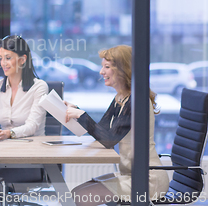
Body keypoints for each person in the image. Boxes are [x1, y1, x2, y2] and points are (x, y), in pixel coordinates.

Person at [65, 45, 169, 206]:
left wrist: (81, 115)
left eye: (107, 67)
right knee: (73, 195)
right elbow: (102, 130)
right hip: (132, 175)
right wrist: (77, 111)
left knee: (76, 198)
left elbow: (108, 140)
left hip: (148, 180)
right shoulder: (121, 97)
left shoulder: (137, 100)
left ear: (123, 70)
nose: (101, 72)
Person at [0, 35, 48, 185]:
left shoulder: (39, 87)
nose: (3, 63)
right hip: (1, 157)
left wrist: (9, 133)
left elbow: (32, 126)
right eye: (1, 58)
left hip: (30, 159)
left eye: (8, 58)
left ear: (22, 60)